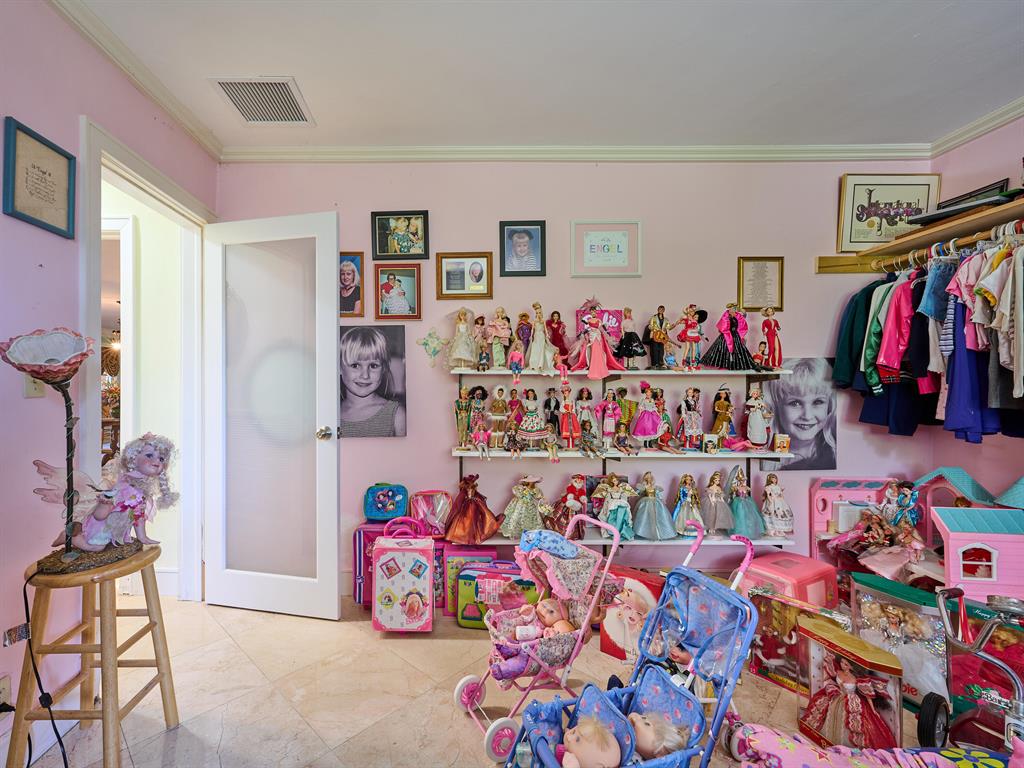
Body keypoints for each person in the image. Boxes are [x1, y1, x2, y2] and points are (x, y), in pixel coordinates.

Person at [762, 357, 837, 470]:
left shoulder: (835, 455)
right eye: (795, 403)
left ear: (829, 406)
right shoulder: (763, 457)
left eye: (818, 402)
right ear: (775, 407)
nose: (807, 416)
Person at [338, 327, 406, 437]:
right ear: (339, 368)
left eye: (373, 366)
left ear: (384, 369)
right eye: (355, 365)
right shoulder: (329, 414)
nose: (365, 375)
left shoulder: (396, 415)